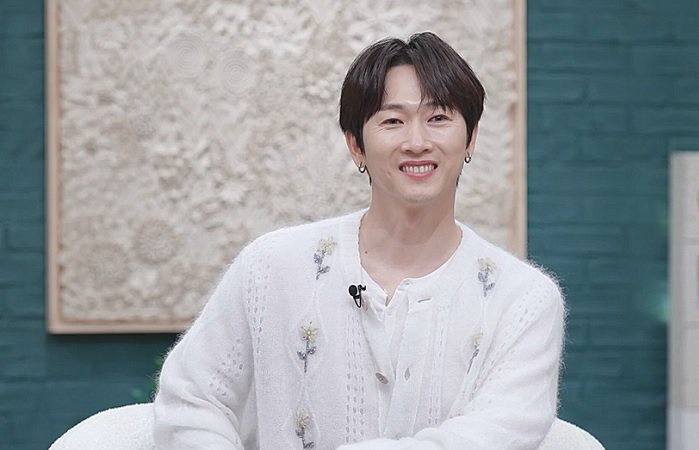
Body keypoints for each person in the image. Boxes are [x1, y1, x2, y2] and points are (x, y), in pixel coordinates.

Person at [153, 31, 565, 449]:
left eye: (438, 118)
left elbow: (499, 434)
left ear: (471, 137)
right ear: (356, 146)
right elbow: (191, 398)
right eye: (392, 121)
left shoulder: (523, 300)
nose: (417, 142)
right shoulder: (271, 267)